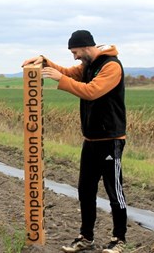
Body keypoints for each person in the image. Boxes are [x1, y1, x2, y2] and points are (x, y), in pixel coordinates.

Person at [22, 30, 127, 253]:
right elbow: (68, 72)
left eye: (75, 52)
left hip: (111, 140)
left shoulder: (111, 66)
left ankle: (119, 240)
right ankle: (86, 237)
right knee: (85, 190)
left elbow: (91, 91)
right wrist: (44, 61)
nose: (74, 57)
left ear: (87, 47)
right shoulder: (88, 65)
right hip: (90, 140)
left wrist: (61, 80)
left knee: (114, 192)